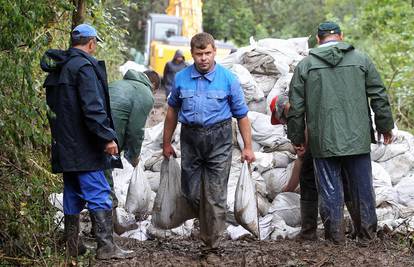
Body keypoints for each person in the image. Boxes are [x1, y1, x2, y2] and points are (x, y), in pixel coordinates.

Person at [287, 22, 394, 244]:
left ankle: (335, 239)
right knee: (362, 187)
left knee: (329, 189)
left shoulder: (305, 65)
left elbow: (296, 107)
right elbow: (379, 95)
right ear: (341, 36)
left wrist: (297, 138)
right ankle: (366, 236)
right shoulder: (361, 60)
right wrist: (384, 126)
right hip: (357, 138)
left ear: (318, 39)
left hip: (322, 139)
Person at [41, 24, 133, 259]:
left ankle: (72, 246)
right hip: (84, 146)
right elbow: (93, 108)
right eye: (95, 44)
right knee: (99, 192)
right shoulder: (84, 67)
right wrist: (107, 138)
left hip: (64, 144)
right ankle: (106, 247)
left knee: (72, 192)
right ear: (91, 43)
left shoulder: (59, 69)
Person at [162, 32, 256, 252]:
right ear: (192, 54)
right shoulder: (181, 78)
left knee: (215, 196)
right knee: (191, 193)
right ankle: (204, 221)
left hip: (219, 139)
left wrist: (248, 147)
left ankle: (210, 245)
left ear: (215, 52)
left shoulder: (228, 79)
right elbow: (172, 111)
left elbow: (242, 115)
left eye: (207, 53)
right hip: (190, 139)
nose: (203, 58)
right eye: (198, 54)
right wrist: (166, 143)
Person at [107, 69, 159, 234]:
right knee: (105, 180)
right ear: (153, 86)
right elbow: (136, 130)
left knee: (96, 178)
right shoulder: (145, 93)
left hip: (92, 133)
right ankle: (109, 228)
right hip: (106, 141)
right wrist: (133, 156)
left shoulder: (118, 84)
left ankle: (102, 226)